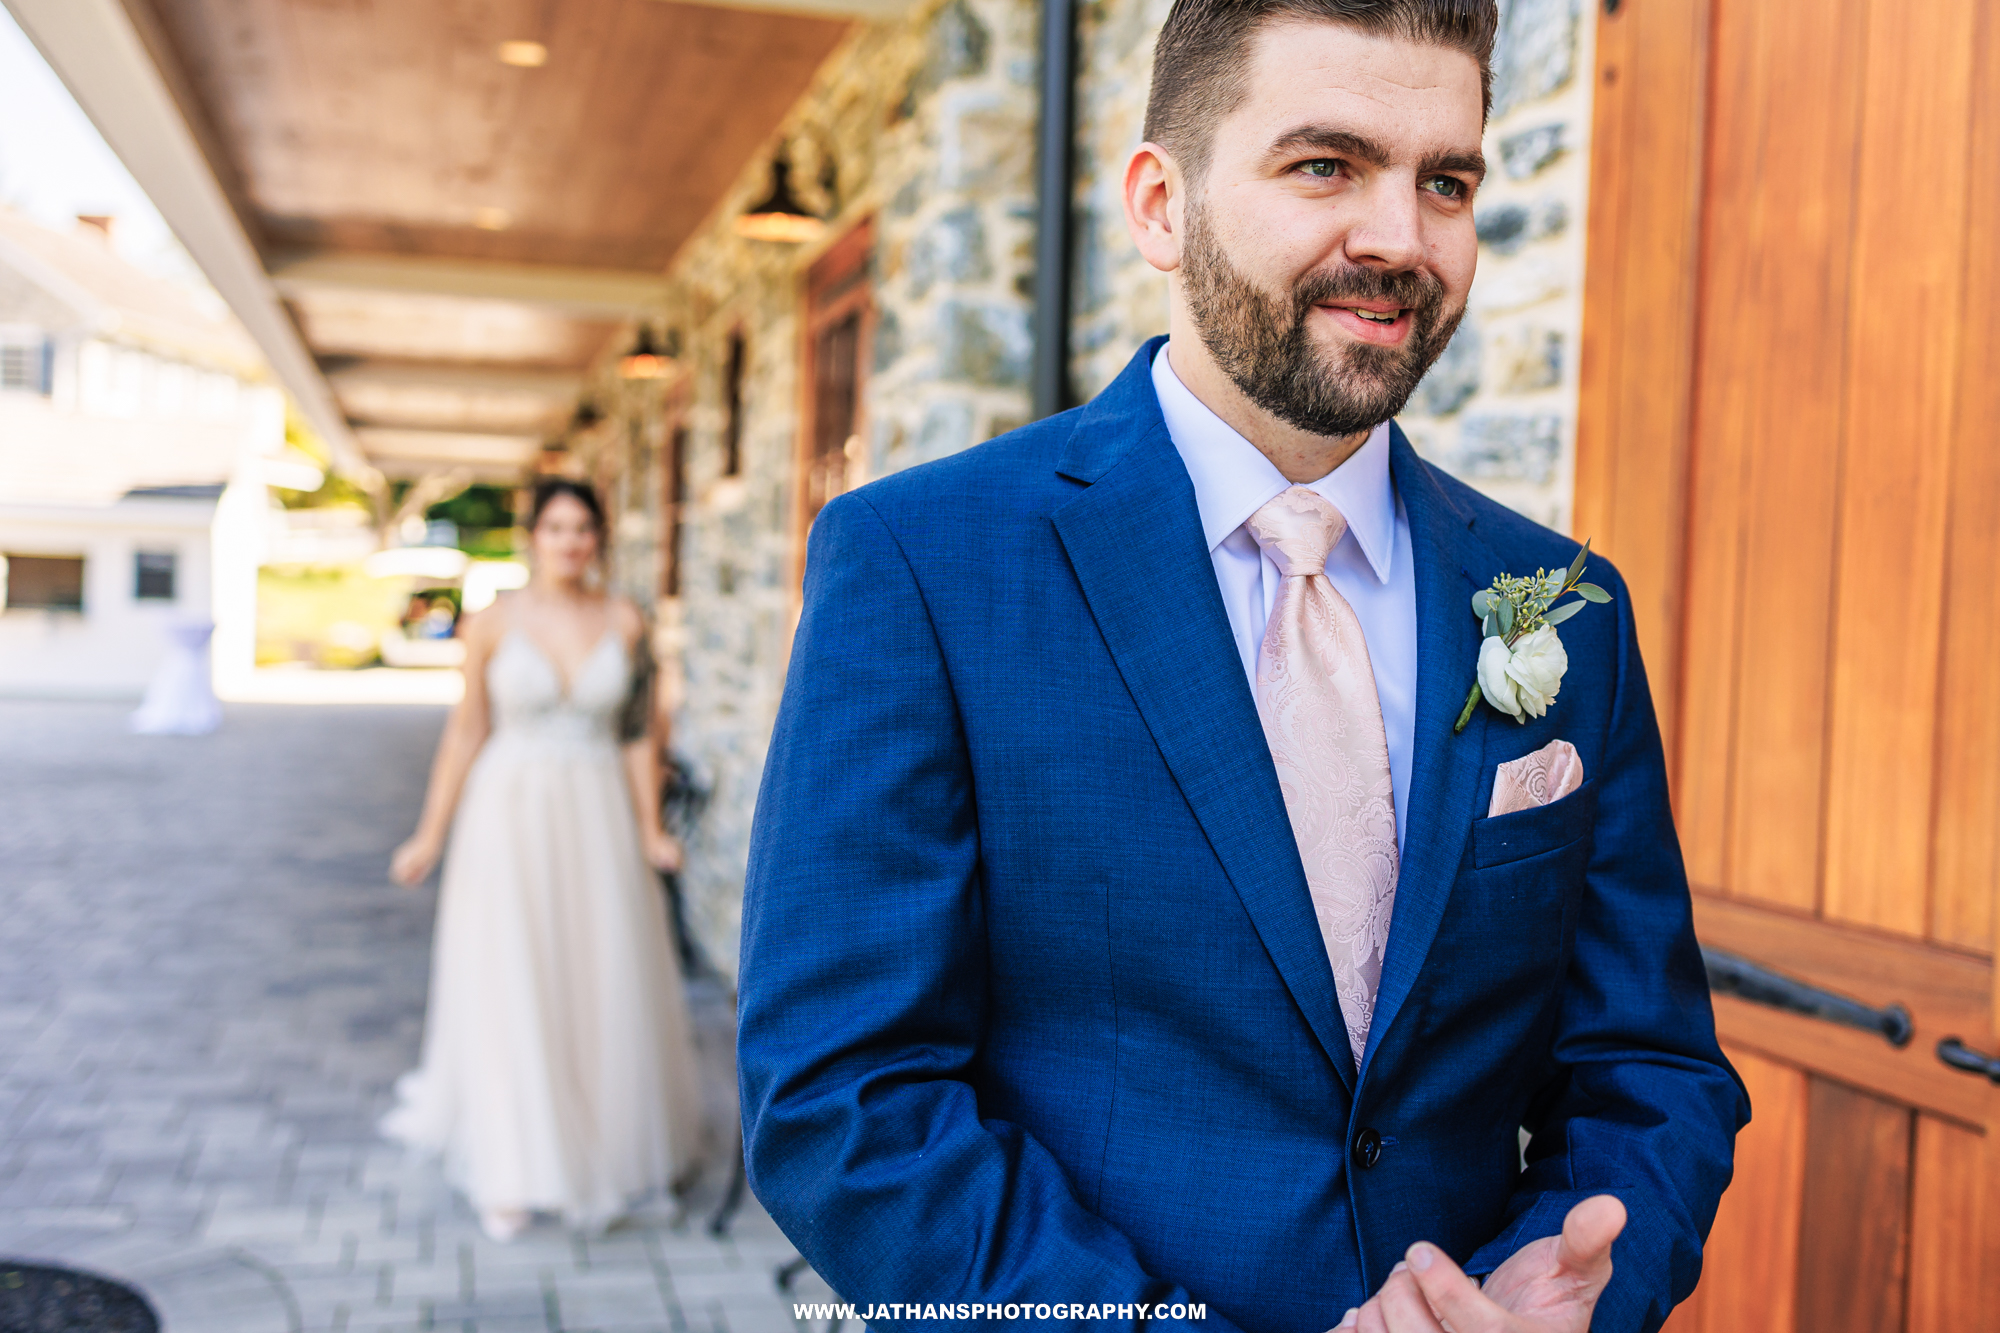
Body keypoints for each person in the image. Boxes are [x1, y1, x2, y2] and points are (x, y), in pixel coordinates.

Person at [737, 2, 1747, 1331]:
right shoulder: (923, 564)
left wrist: (1552, 1286)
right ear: (1162, 205)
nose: (1400, 238)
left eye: (1445, 181)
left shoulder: (1561, 606)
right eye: (1325, 165)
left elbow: (1647, 1063)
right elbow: (842, 1099)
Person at [384, 478, 703, 1242]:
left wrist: (651, 826)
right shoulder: (492, 621)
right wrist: (430, 832)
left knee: (599, 974)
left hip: (595, 813)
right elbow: (467, 729)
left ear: (599, 538)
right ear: (534, 535)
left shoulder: (627, 619)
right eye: (556, 527)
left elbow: (638, 735)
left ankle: (611, 1139)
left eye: (583, 528)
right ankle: (512, 1165)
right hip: (510, 812)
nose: (570, 541)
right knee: (513, 977)